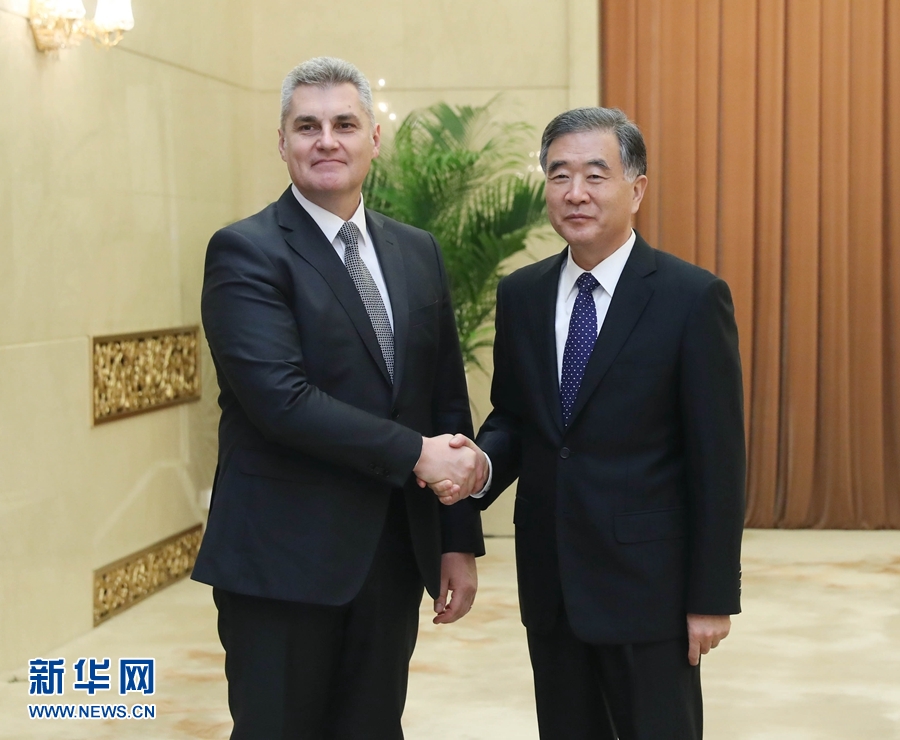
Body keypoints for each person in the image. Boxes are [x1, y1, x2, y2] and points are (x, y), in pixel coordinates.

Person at [191, 56, 487, 739]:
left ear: (373, 139)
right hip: (281, 564)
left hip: (390, 558)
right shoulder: (245, 251)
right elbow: (281, 401)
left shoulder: (417, 251)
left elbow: (444, 397)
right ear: (283, 142)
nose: (327, 140)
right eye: (308, 126)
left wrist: (456, 541)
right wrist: (417, 454)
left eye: (345, 125)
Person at [442, 107, 745, 739]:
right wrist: (482, 466)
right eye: (559, 175)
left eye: (595, 175)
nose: (575, 192)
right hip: (552, 586)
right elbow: (517, 417)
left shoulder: (691, 298)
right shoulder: (522, 294)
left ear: (636, 188)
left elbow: (719, 461)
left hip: (650, 591)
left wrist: (711, 596)